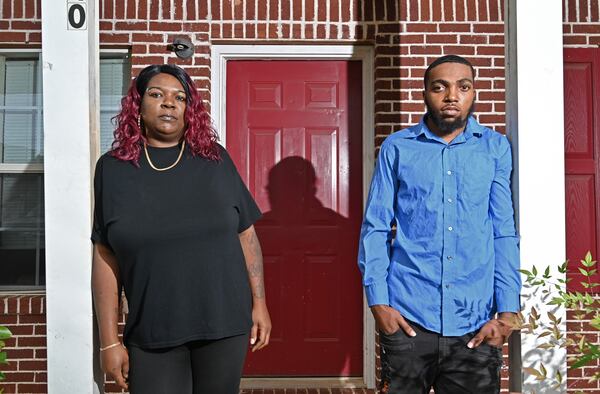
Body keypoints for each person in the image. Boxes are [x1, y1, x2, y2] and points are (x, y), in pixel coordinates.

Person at [91, 64, 271, 394]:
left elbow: (245, 234)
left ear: (189, 109)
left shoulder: (215, 160)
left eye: (179, 97)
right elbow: (105, 255)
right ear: (138, 105)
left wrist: (259, 303)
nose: (169, 103)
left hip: (223, 322)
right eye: (156, 94)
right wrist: (109, 342)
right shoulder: (112, 170)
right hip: (151, 330)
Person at [358, 55, 521, 394]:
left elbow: (503, 231)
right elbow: (375, 227)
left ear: (474, 93)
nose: (451, 96)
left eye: (463, 87)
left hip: (475, 323)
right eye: (440, 87)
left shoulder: (494, 148)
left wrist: (507, 312)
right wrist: (379, 303)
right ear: (425, 93)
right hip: (409, 319)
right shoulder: (397, 148)